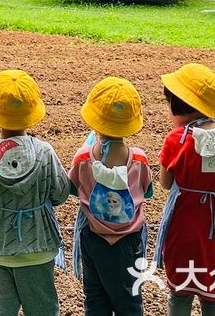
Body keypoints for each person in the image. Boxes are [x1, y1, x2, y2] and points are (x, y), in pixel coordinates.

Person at [0, 70, 70, 316]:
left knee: (6, 310)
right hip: (40, 245)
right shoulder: (45, 152)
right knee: (44, 308)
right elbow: (61, 192)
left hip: (1, 247)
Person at [154, 63, 215, 316]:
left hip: (184, 222)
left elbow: (165, 183)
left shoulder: (176, 139)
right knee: (212, 289)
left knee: (180, 289)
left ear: (179, 104)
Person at [69, 77, 152, 316]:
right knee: (129, 300)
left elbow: (73, 187)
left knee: (95, 299)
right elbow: (147, 190)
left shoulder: (83, 158)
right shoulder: (139, 159)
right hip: (129, 243)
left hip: (93, 239)